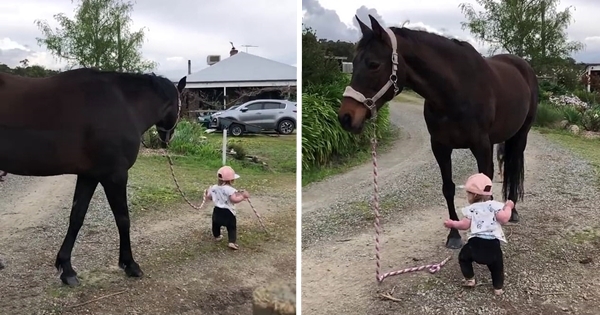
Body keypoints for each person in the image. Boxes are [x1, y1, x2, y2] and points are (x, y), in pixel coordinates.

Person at [443, 173, 514, 296]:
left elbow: (464, 225)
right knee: (497, 267)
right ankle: (498, 288)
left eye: (468, 193)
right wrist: (508, 207)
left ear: (474, 195)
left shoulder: (472, 209)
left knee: (463, 258)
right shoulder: (495, 205)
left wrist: (453, 224)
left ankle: (470, 278)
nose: (467, 196)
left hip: (474, 245)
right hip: (493, 246)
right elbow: (504, 219)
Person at [204, 165, 250, 250]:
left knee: (215, 224)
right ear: (231, 180)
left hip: (217, 210)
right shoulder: (230, 190)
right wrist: (243, 196)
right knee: (231, 227)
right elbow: (234, 199)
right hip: (228, 212)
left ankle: (217, 236)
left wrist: (207, 193)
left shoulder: (214, 187)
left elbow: (210, 197)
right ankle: (231, 242)